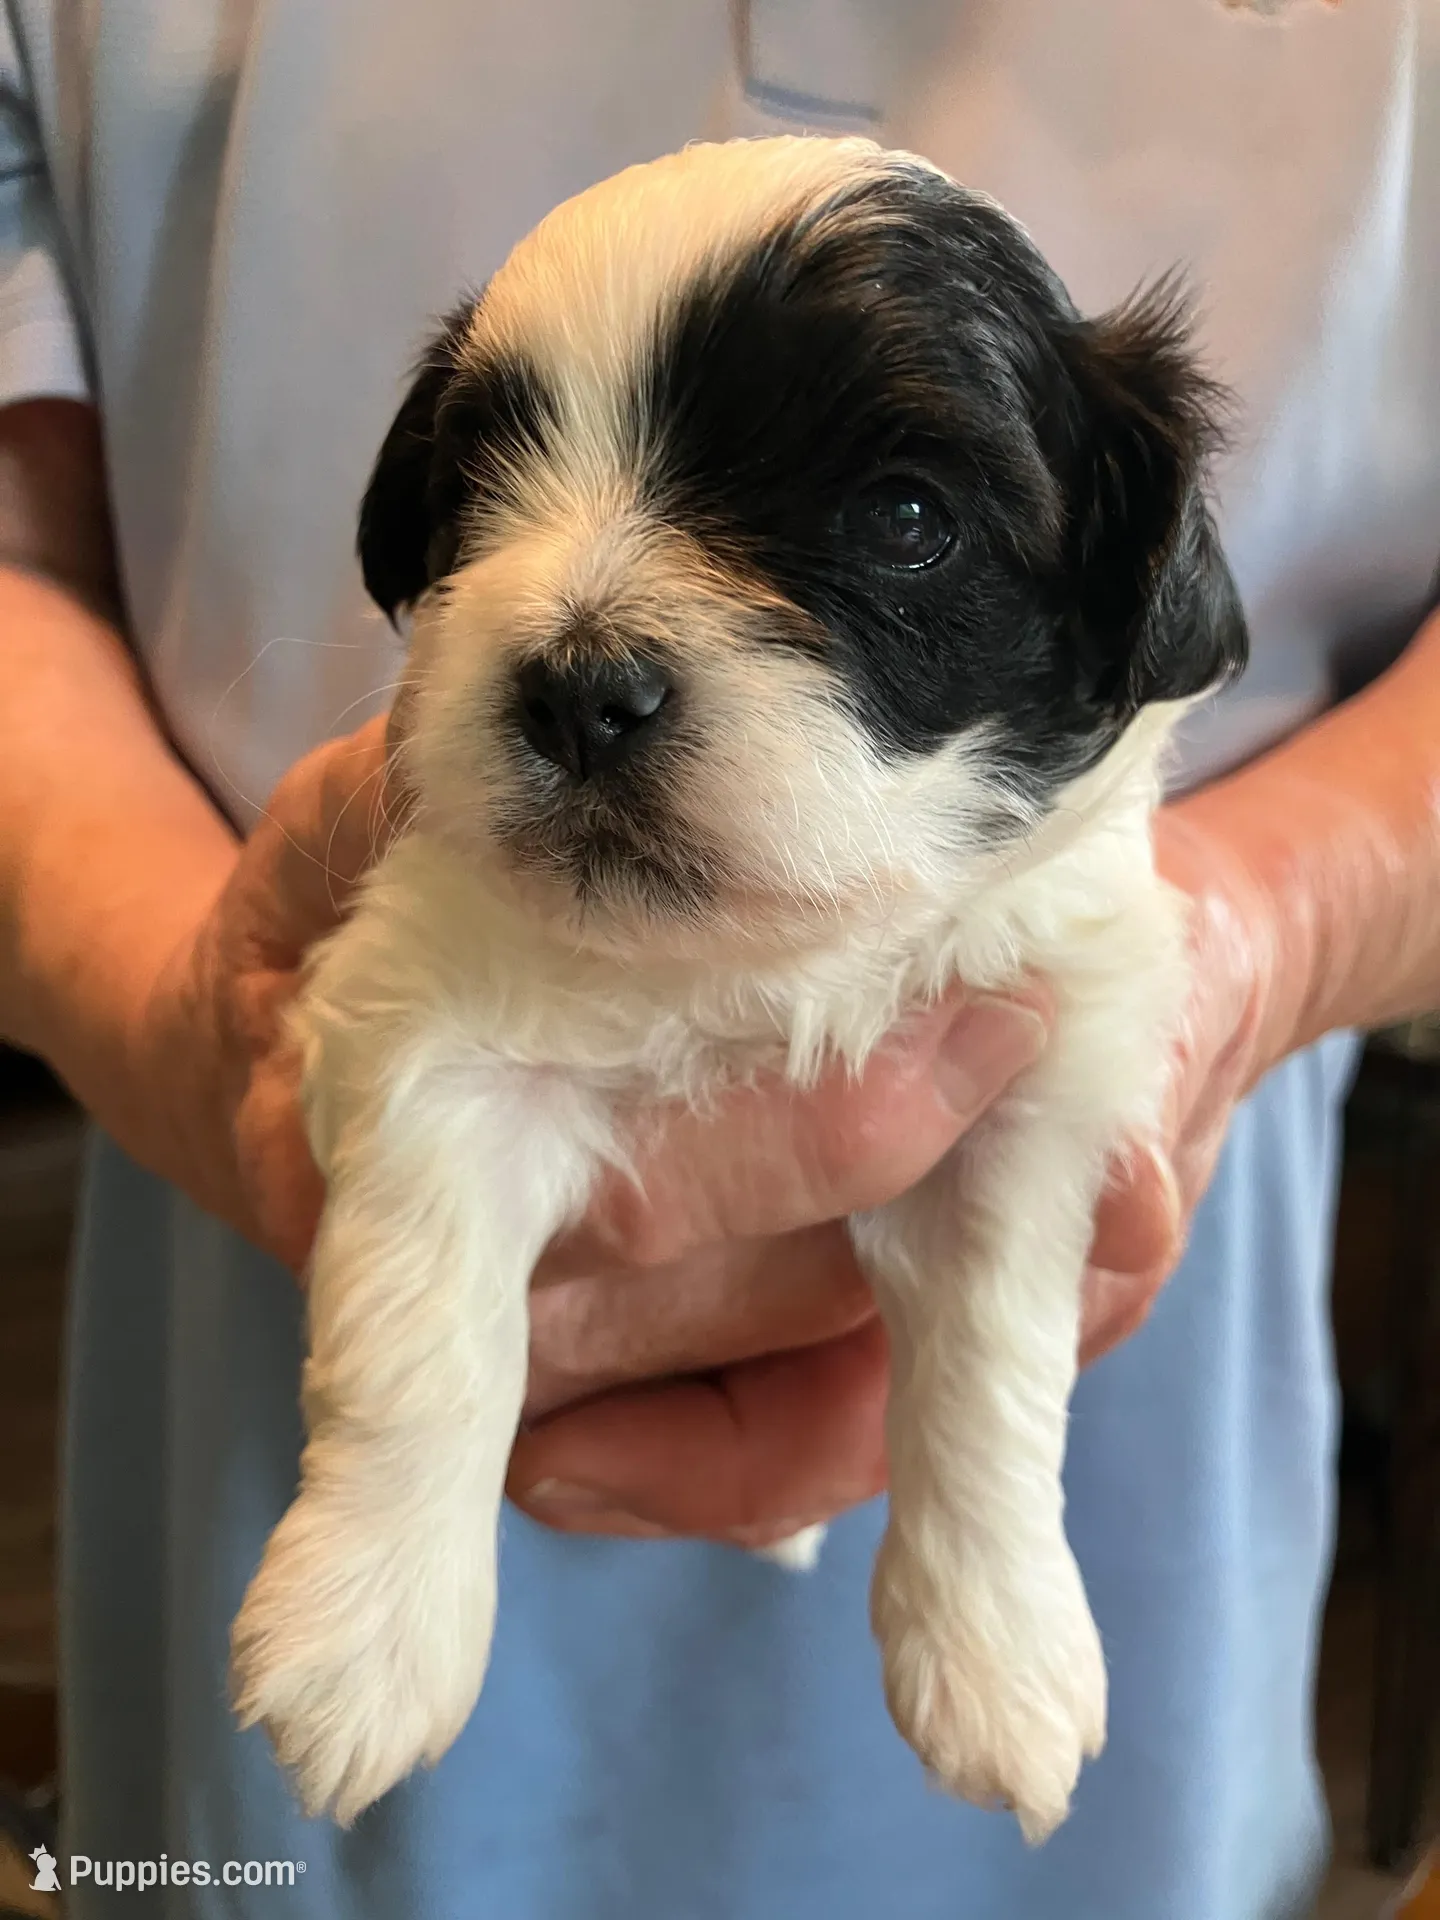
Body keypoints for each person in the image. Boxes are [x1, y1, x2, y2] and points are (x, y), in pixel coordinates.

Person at [0, 2, 1436, 1915]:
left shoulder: (1074, 867)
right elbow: (440, 1063)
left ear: (1129, 583)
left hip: (1177, 1389)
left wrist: (1265, 940)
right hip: (223, 1259)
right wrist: (388, 1463)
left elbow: (1035, 1122)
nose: (592, 642)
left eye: (901, 517)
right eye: (495, 492)